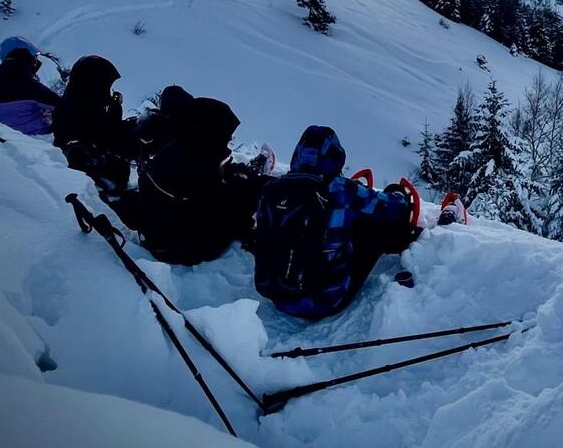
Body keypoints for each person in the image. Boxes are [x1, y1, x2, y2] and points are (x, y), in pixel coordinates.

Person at [254, 126, 420, 319]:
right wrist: (398, 195)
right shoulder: (341, 189)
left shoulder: (272, 189)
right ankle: (403, 242)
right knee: (373, 226)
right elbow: (388, 207)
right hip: (325, 301)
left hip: (278, 297)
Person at [134, 94, 257, 265]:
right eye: (225, 135)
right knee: (239, 199)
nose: (228, 140)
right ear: (212, 131)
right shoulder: (197, 164)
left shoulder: (178, 148)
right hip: (178, 249)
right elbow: (220, 211)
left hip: (154, 236)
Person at [53, 55, 136, 194]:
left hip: (89, 158)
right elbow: (108, 134)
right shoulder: (83, 107)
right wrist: (116, 107)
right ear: (95, 83)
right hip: (94, 171)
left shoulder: (76, 99)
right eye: (106, 85)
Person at [0, 38, 60, 136]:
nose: (36, 61)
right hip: (38, 139)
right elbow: (63, 105)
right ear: (26, 56)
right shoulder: (29, 85)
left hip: (2, 137)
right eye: (34, 57)